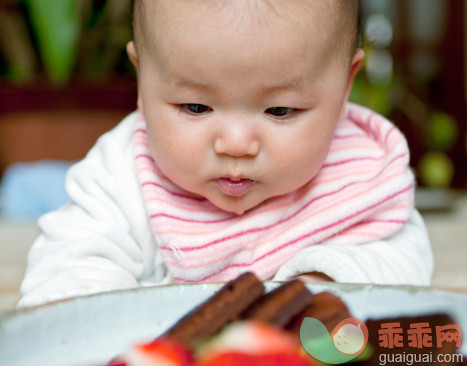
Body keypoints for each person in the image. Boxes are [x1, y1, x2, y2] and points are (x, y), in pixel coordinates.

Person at [18, 0, 433, 308]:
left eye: (281, 110)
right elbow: (69, 265)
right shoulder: (125, 171)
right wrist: (101, 320)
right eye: (195, 107)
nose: (235, 144)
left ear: (344, 86)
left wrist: (323, 281)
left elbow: (401, 261)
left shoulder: (359, 171)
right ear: (143, 79)